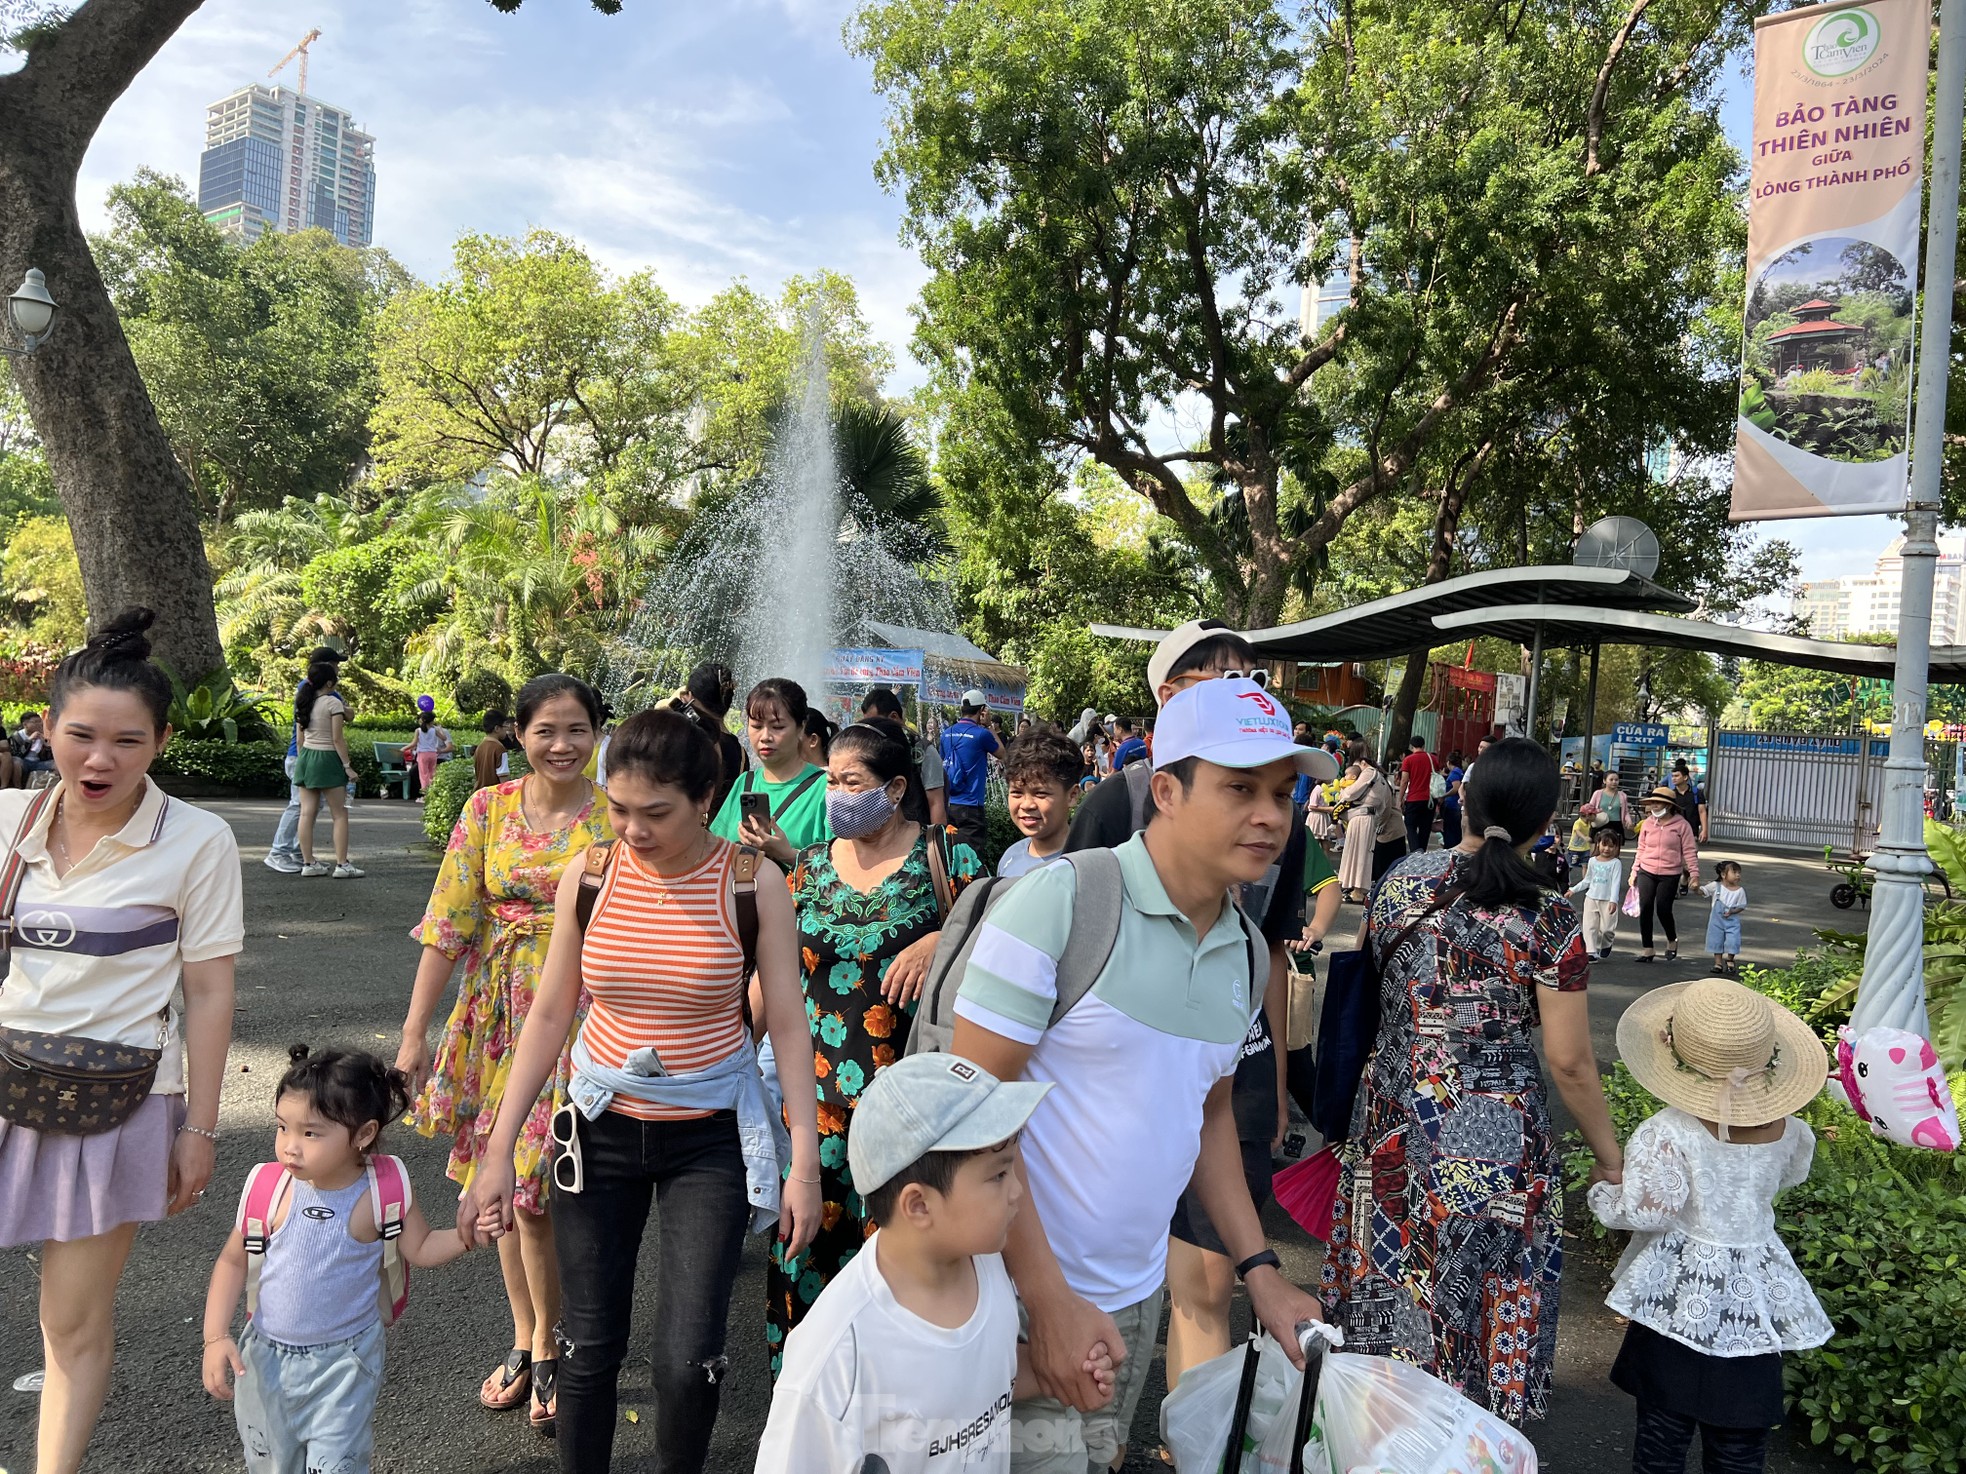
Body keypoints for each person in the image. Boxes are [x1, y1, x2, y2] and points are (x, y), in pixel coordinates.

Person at [954, 677, 1330, 1474]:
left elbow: (1209, 1114)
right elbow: (972, 1113)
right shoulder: (1061, 903)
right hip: (1011, 1300)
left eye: (1282, 793)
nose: (1269, 815)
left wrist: (1259, 1271)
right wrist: (1049, 1303)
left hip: (1134, 1296)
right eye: (1238, 788)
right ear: (1165, 789)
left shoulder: (1247, 951)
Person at [459, 708, 822, 1474]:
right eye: (618, 808)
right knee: (587, 1345)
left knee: (689, 1359)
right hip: (598, 1129)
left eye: (656, 813)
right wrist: (497, 1151)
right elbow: (553, 1011)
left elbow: (789, 1026)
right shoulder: (589, 874)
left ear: (706, 798)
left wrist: (804, 1163)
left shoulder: (754, 883)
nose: (632, 829)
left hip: (710, 1135)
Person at [0, 608, 243, 1474]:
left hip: (113, 1104)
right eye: (80, 736)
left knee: (70, 1321)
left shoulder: (198, 840)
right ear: (47, 728)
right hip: (3, 1083)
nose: (99, 760)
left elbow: (210, 992)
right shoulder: (8, 823)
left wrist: (200, 1130)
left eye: (128, 742)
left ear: (162, 741)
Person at [1321, 737, 1623, 1426]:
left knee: (1398, 1282)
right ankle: (1474, 1441)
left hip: (1396, 1123)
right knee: (1486, 1289)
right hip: (1500, 1142)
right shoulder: (1549, 917)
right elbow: (1571, 1062)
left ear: (1464, 798)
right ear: (1545, 824)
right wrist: (1609, 1155)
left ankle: (1382, 1439)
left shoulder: (1401, 883)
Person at [396, 673, 609, 1431]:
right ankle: (526, 1335)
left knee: (537, 1192)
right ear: (519, 733)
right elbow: (447, 923)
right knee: (501, 1198)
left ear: (597, 734)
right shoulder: (487, 809)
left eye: (577, 729)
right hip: (493, 1015)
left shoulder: (615, 818)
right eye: (546, 730)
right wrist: (416, 1030)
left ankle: (549, 1345)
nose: (562, 744)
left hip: (577, 1018)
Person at [756, 1054, 1097, 1474]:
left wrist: (1054, 1372)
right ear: (918, 1205)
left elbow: (980, 1382)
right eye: (999, 1175)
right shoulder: (837, 1359)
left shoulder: (985, 1269)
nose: (1018, 1194)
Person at [766, 719, 982, 1369]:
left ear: (894, 789)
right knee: (810, 1267)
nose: (835, 794)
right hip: (819, 1115)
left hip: (911, 1113)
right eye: (829, 780)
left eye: (850, 782)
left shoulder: (948, 857)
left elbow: (1004, 943)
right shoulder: (804, 869)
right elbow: (772, 978)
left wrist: (939, 939)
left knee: (902, 1271)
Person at [1590, 978, 1831, 1474]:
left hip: (1677, 1295)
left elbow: (1649, 1212)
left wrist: (1603, 1192)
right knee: (1740, 1445)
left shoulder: (1668, 1130)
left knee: (1662, 1441)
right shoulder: (1793, 1131)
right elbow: (1789, 1176)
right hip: (1754, 1296)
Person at [201, 1047, 470, 1473]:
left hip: (346, 1363)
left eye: (311, 1133)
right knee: (272, 1464)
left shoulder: (382, 1192)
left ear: (363, 1134)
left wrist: (464, 1236)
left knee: (335, 1465)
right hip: (266, 1358)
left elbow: (420, 1248)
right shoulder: (269, 1190)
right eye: (282, 1127)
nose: (290, 1147)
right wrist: (215, 1337)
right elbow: (233, 1262)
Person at [712, 678, 832, 867]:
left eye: (778, 727)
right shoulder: (745, 782)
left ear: (801, 728)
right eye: (757, 726)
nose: (765, 737)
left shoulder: (826, 788)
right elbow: (715, 846)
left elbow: (842, 868)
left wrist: (790, 855)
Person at [265, 646, 346, 873]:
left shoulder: (308, 688)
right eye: (335, 664)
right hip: (306, 756)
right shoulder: (324, 693)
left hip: (302, 755)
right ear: (326, 667)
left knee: (308, 807)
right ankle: (279, 851)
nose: (338, 669)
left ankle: (301, 854)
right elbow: (346, 714)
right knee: (300, 807)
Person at [291, 659, 362, 879]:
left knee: (306, 813)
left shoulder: (304, 702)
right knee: (339, 814)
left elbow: (300, 740)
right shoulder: (332, 704)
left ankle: (308, 862)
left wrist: (306, 760)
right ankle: (342, 864)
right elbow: (337, 739)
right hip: (328, 758)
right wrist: (348, 767)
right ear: (330, 683)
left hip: (307, 759)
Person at [667, 662, 748, 816]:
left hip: (687, 830)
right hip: (723, 833)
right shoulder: (740, 752)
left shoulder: (687, 742)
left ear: (689, 697)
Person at [861, 686, 949, 825]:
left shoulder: (922, 751)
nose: (873, 730)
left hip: (915, 839)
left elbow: (935, 803)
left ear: (894, 717)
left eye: (876, 723)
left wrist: (936, 842)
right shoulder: (872, 749)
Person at [1632, 786, 1700, 964]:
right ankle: (1648, 949)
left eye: (1658, 803)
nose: (1654, 806)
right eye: (1652, 803)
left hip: (1670, 873)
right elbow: (1641, 849)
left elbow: (1690, 851)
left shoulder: (1681, 825)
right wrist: (1634, 871)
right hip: (1647, 869)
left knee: (1663, 909)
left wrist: (1694, 874)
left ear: (1668, 805)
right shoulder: (1647, 823)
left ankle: (1672, 939)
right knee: (1645, 907)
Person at [998, 731, 1080, 878]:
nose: (1027, 804)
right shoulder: (1010, 857)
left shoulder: (1085, 865)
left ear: (1072, 795)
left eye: (1040, 794)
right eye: (1017, 793)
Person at [939, 689, 1001, 853]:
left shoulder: (946, 734)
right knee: (972, 860)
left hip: (949, 805)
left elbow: (943, 762)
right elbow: (1004, 755)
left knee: (951, 856)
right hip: (972, 807)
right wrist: (989, 726)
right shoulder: (982, 735)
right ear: (982, 711)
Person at [1569, 828, 1625, 959]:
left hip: (1607, 900)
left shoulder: (1616, 863)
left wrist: (1613, 900)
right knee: (1589, 927)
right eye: (1604, 845)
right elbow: (1587, 880)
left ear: (1616, 847)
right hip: (1591, 898)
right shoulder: (1592, 861)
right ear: (1598, 844)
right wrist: (1573, 889)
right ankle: (1591, 952)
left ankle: (1606, 944)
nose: (1607, 849)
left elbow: (1616, 883)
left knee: (1607, 929)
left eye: (1611, 846)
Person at [1335, 762, 1377, 903]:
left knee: (1357, 854)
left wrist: (1343, 790)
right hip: (1361, 818)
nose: (1345, 776)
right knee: (1355, 853)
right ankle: (1352, 886)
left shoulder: (1366, 777)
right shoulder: (1375, 778)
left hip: (1360, 818)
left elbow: (1349, 795)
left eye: (1347, 774)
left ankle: (1356, 888)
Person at [1701, 859, 1748, 976]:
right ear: (1723, 875)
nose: (1738, 875)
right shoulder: (1715, 886)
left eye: (1739, 873)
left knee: (1733, 941)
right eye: (1734, 872)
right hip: (1716, 921)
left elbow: (1742, 906)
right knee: (1716, 940)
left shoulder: (1740, 891)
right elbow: (1703, 891)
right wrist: (1695, 887)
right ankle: (1718, 963)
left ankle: (1730, 960)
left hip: (1732, 921)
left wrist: (1733, 911)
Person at [1399, 735, 1439, 854]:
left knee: (1410, 825)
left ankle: (1415, 851)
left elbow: (1404, 780)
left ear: (1411, 747)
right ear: (1424, 745)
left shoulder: (1408, 760)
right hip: (1430, 798)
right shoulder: (1432, 759)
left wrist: (1400, 798)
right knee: (1425, 828)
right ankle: (1422, 851)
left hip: (1413, 797)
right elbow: (1436, 776)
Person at [409, 708, 454, 797]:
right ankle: (423, 794)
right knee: (414, 771)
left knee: (429, 773)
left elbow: (450, 747)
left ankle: (430, 794)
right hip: (429, 756)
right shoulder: (420, 731)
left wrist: (440, 751)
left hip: (441, 758)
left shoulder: (440, 731)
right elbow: (416, 744)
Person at [1582, 768, 1631, 844]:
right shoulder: (1597, 793)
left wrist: (1629, 820)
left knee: (1614, 850)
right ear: (1604, 781)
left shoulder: (1622, 795)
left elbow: (1626, 812)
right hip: (1599, 824)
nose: (1614, 782)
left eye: (1616, 780)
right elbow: (1590, 808)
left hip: (1616, 826)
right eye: (1611, 780)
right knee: (1597, 850)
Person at [474, 709, 514, 791]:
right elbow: (504, 780)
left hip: (479, 795)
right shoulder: (499, 749)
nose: (506, 731)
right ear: (497, 728)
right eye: (504, 727)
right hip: (494, 797)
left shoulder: (480, 747)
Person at [1670, 760, 1709, 844]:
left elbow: (1702, 812)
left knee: (1691, 856)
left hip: (1691, 833)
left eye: (1677, 776)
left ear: (1685, 777)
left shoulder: (1696, 793)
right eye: (1672, 776)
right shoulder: (1671, 794)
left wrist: (1704, 830)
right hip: (1674, 833)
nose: (1673, 778)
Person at [1439, 748, 1465, 848]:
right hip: (1457, 805)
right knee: (1456, 830)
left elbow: (1456, 788)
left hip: (1452, 805)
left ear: (1449, 762)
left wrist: (1443, 796)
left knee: (1450, 830)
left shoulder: (1454, 773)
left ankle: (1450, 849)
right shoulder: (1460, 772)